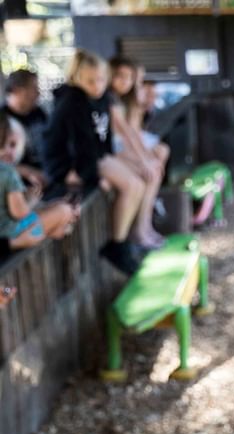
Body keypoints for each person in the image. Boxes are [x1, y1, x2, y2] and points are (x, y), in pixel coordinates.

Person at [43, 49, 145, 274]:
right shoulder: (73, 102)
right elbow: (78, 144)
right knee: (131, 185)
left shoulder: (100, 98)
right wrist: (93, 178)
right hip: (73, 165)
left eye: (101, 80)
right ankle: (117, 246)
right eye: (90, 81)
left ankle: (125, 240)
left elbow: (103, 136)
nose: (97, 85)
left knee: (137, 183)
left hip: (96, 157)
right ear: (77, 78)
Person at [107, 56, 165, 249]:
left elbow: (131, 133)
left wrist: (146, 159)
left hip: (118, 148)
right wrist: (143, 161)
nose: (126, 82)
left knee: (153, 169)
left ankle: (144, 226)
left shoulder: (120, 98)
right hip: (111, 149)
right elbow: (125, 133)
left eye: (129, 78)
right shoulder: (109, 98)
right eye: (120, 77)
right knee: (147, 173)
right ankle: (136, 233)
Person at [0, 111, 76, 246]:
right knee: (64, 210)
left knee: (56, 209)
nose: (13, 151)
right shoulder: (7, 173)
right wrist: (31, 200)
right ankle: (53, 228)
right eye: (11, 144)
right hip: (12, 233)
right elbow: (20, 213)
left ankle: (55, 227)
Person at [2, 69, 49, 190]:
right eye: (33, 88)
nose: (38, 93)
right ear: (17, 90)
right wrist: (25, 171)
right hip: (17, 186)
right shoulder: (3, 119)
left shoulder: (39, 113)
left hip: (46, 179)